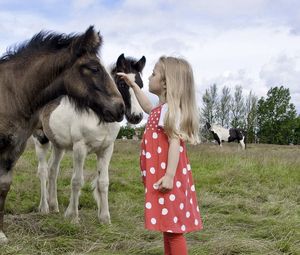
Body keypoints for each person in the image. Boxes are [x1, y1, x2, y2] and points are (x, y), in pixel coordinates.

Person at [117, 56, 203, 255]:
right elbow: (148, 106)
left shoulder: (170, 111)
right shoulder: (161, 110)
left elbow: (174, 142)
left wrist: (170, 175)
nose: (149, 76)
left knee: (173, 230)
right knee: (168, 227)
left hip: (168, 178)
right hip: (163, 177)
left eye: (154, 73)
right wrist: (133, 85)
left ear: (165, 83)